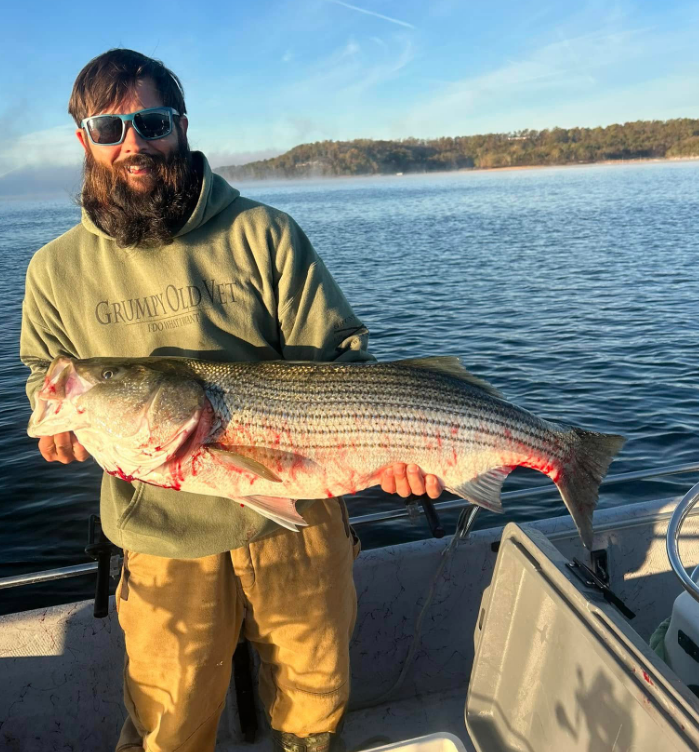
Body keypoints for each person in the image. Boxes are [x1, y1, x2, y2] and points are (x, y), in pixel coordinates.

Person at [20, 49, 443, 752]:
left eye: (151, 122)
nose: (134, 143)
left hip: (299, 520)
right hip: (158, 536)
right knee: (167, 725)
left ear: (180, 126)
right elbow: (45, 375)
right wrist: (57, 420)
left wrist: (402, 447)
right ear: (83, 141)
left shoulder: (263, 233)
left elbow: (341, 363)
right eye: (109, 128)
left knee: (313, 709)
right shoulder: (54, 270)